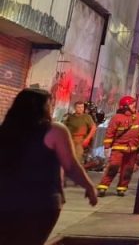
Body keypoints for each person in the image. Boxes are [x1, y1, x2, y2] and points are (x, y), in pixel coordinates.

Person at [0, 88, 99, 245]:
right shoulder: (55, 131)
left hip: (5, 201)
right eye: (50, 104)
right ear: (43, 107)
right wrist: (89, 187)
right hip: (41, 202)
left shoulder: (5, 131)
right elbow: (71, 166)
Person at [99, 95, 139, 197]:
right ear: (125, 106)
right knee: (113, 167)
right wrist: (107, 147)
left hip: (132, 148)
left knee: (128, 170)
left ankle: (122, 189)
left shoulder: (138, 116)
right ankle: (103, 187)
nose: (134, 105)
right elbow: (110, 133)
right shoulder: (116, 118)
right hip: (118, 148)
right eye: (132, 104)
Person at [63, 100, 97, 165]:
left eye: (82, 107)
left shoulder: (87, 117)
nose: (81, 109)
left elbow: (93, 128)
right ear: (75, 108)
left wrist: (87, 139)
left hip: (80, 140)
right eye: (78, 107)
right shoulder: (70, 117)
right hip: (70, 139)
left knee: (77, 158)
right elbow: (64, 127)